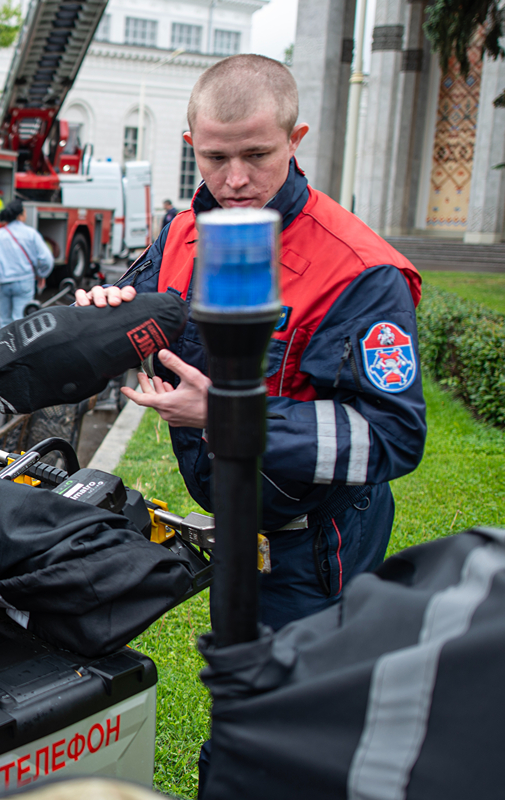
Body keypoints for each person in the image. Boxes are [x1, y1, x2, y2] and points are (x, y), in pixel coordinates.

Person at [77, 54, 426, 632]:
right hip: (236, 526)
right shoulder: (183, 230)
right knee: (240, 692)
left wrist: (224, 413)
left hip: (315, 542)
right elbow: (134, 313)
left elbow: (394, 437)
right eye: (215, 157)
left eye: (257, 155)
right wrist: (96, 318)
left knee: (304, 711)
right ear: (192, 144)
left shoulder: (361, 271)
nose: (235, 179)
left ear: (295, 140)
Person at [0, 199, 54, 329]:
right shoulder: (31, 234)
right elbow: (47, 259)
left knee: (4, 321)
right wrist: (41, 274)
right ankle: (19, 349)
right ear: (20, 215)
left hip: (1, 282)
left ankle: (4, 348)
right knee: (21, 320)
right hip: (24, 281)